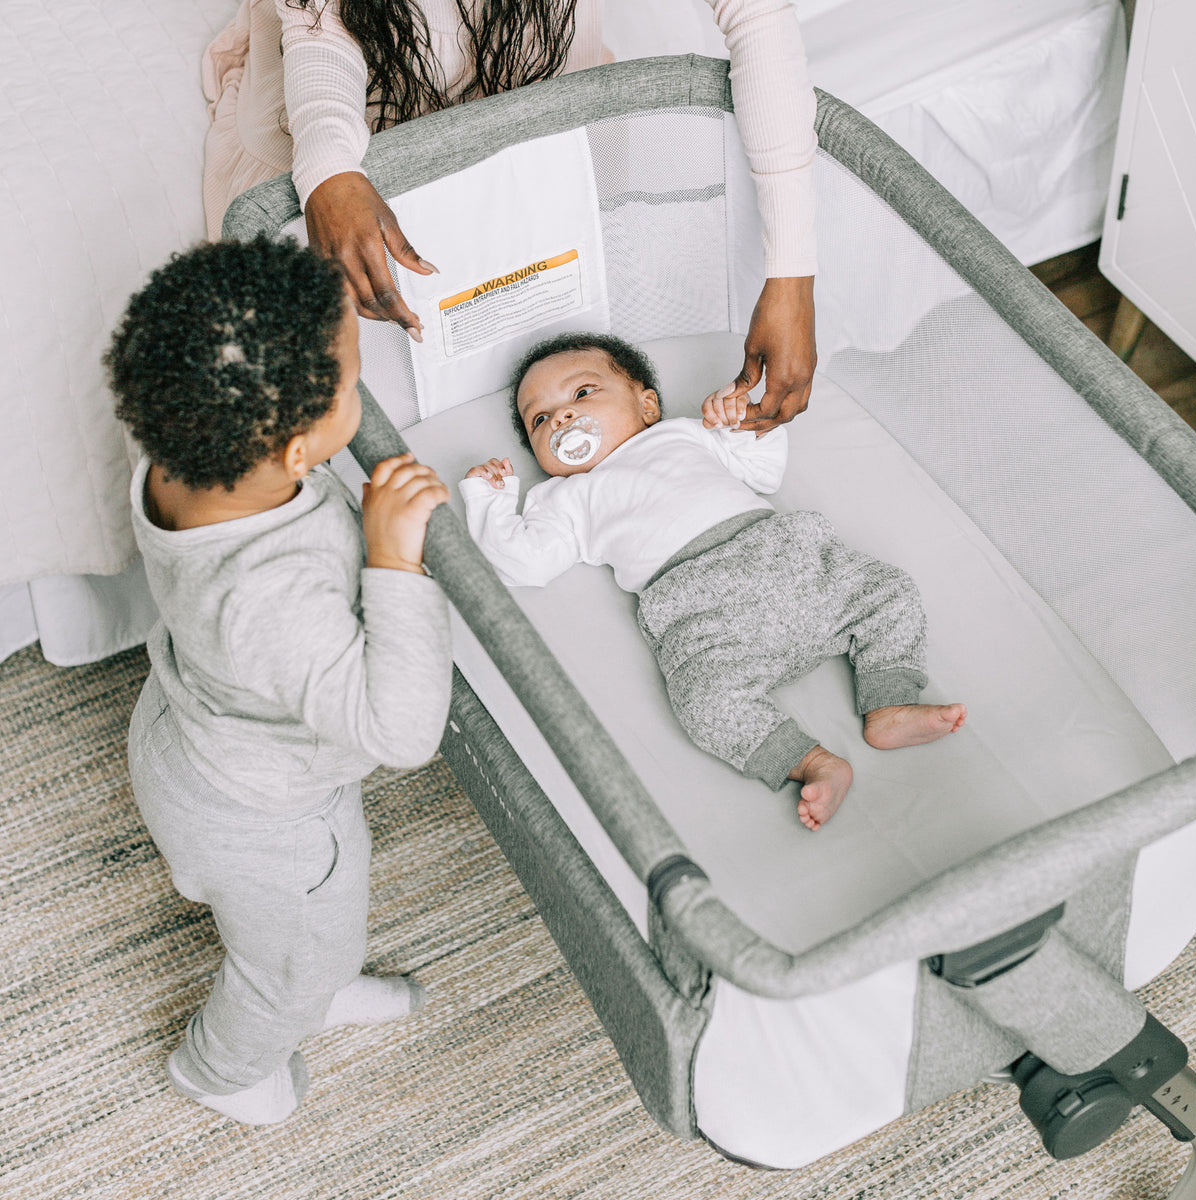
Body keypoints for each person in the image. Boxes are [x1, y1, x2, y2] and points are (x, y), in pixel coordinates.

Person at [105, 235, 453, 1125]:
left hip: (190, 730)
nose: (359, 389)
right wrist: (391, 558)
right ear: (300, 450)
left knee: (297, 948)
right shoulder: (274, 598)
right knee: (289, 965)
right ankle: (224, 1068)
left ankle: (309, 981)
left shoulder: (178, 454)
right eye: (351, 382)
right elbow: (402, 729)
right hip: (264, 817)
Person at [202, 0, 818, 432]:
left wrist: (791, 271)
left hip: (532, 77)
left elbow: (758, 15)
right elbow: (322, 37)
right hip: (370, 99)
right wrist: (331, 172)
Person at [460, 333, 966, 830]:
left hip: (786, 560)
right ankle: (809, 762)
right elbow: (523, 563)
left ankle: (890, 702)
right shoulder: (565, 497)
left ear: (647, 403)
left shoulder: (683, 433)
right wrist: (491, 500)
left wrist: (742, 421)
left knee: (886, 590)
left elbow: (764, 470)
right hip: (702, 615)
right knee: (704, 703)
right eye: (540, 420)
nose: (562, 417)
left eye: (582, 393)